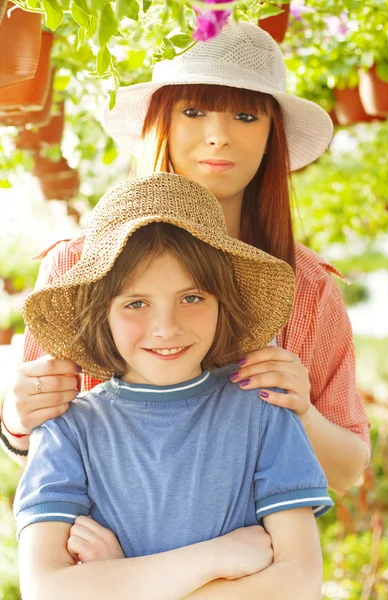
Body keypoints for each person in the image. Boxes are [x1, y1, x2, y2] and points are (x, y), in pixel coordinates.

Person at [1, 19, 369, 492]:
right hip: (108, 558)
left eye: (245, 116)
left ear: (271, 135)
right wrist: (15, 421)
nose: (218, 136)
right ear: (161, 123)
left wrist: (303, 411)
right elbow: (43, 457)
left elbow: (347, 471)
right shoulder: (76, 266)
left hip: (256, 560)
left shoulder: (309, 287)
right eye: (193, 111)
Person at [14, 173, 332, 600]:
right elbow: (46, 589)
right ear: (100, 313)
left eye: (192, 297)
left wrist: (122, 581)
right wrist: (217, 557)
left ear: (225, 301)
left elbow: (299, 583)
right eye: (136, 303)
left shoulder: (262, 409)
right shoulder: (66, 431)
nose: (166, 328)